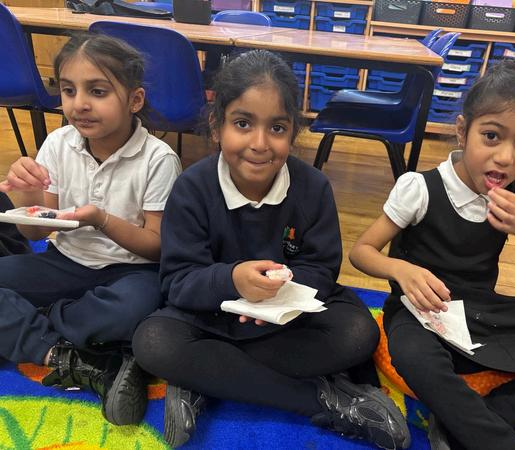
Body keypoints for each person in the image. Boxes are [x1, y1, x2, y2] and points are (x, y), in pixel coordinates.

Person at [131, 50, 409, 450]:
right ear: (216, 126)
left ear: (292, 133)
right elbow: (177, 281)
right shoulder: (192, 188)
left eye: (276, 128)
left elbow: (321, 269)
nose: (260, 144)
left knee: (356, 332)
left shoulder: (312, 187)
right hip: (211, 317)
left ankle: (202, 379)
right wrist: (232, 280)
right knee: (154, 340)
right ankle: (321, 400)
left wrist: (280, 293)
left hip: (286, 320)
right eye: (243, 124)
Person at [349, 60, 515, 450]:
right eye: (491, 136)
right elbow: (361, 251)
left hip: (481, 315)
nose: (506, 157)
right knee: (415, 358)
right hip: (419, 313)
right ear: (463, 130)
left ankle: (470, 424)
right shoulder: (420, 187)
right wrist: (401, 270)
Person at [0, 33, 181, 426]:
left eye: (97, 91)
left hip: (132, 272)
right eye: (68, 90)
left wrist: (101, 219)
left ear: (135, 100)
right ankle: (74, 345)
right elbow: (36, 234)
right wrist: (27, 192)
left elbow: (157, 247)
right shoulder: (58, 143)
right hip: (64, 262)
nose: (79, 103)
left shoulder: (158, 159)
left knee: (137, 309)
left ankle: (34, 322)